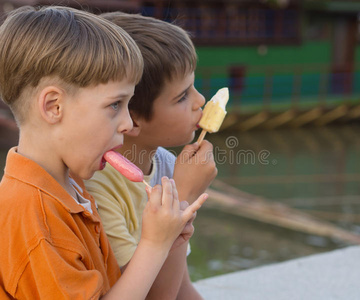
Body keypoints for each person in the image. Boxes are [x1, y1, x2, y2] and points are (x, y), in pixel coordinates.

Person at [0, 6, 207, 299]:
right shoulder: (36, 218)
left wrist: (169, 241)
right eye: (114, 105)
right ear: (53, 106)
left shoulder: (71, 190)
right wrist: (155, 243)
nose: (126, 123)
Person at [85, 12, 217, 300]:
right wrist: (183, 197)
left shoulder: (167, 165)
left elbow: (182, 288)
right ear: (130, 117)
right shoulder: (98, 188)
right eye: (182, 97)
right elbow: (156, 297)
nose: (200, 101)